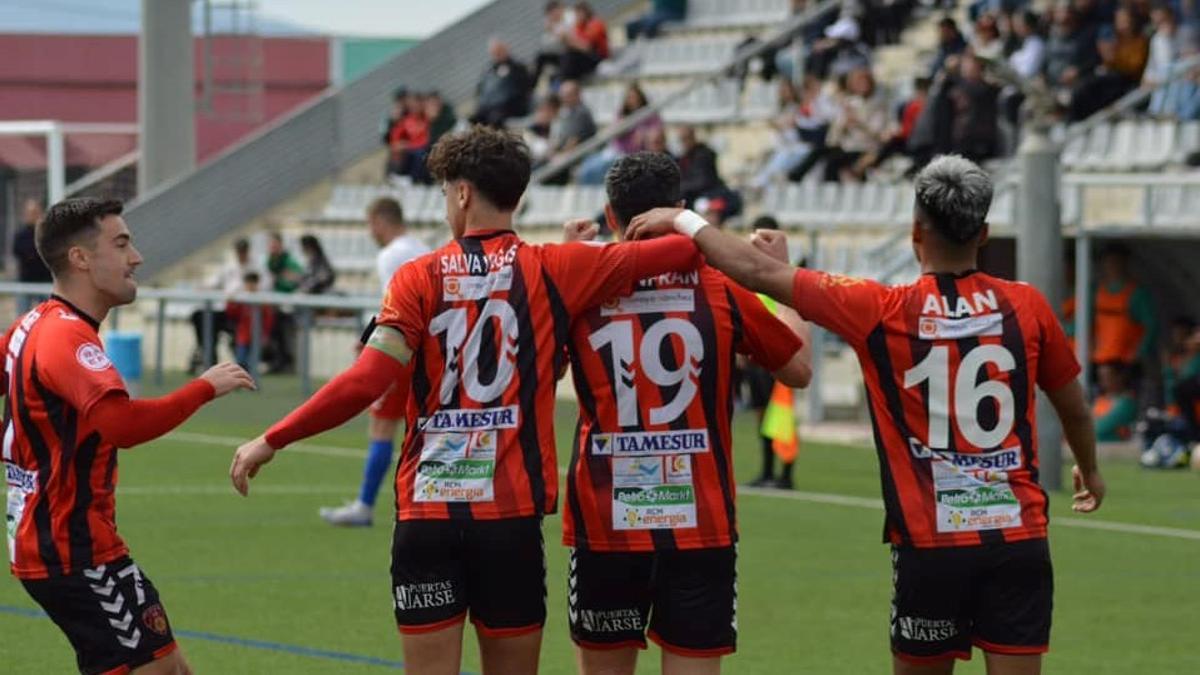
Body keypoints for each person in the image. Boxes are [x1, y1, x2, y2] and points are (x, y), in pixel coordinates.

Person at [229, 126, 703, 675]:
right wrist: (670, 221)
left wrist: (272, 438)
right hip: (510, 520)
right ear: (517, 195)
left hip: (429, 516)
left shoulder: (417, 277)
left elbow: (365, 382)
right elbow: (687, 249)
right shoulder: (557, 267)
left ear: (461, 194)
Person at [626, 154, 1106, 674]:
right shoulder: (1027, 306)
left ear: (915, 231)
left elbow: (757, 271)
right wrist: (1090, 468)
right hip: (1018, 538)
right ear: (984, 233)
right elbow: (1074, 406)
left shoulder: (880, 308)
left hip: (931, 543)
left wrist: (682, 219)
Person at [559, 153, 811, 675]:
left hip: (606, 520)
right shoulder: (719, 287)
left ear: (610, 217)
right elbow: (799, 368)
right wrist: (784, 282)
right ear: (680, 212)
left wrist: (566, 262)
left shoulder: (582, 286)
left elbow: (537, 364)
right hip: (700, 521)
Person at [1, 197, 254, 675]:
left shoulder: (31, 325)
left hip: (55, 543)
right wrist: (204, 387)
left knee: (169, 669)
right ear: (80, 258)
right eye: (120, 244)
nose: (135, 256)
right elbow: (123, 426)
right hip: (75, 549)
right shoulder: (66, 337)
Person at [319, 196, 431, 527]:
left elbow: (392, 305)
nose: (370, 231)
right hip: (432, 351)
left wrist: (369, 340)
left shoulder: (389, 255)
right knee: (422, 426)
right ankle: (427, 504)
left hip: (400, 349)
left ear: (382, 221)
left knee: (382, 426)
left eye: (371, 224)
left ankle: (365, 506)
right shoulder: (422, 247)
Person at [188, 237, 259, 373]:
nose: (241, 253)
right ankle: (208, 354)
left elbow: (260, 287)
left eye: (243, 250)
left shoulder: (255, 267)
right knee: (198, 316)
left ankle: (210, 357)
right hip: (228, 308)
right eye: (239, 250)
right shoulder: (229, 267)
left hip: (244, 312)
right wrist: (204, 287)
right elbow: (215, 282)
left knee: (212, 320)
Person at [577, 82, 663, 184]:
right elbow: (614, 133)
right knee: (589, 164)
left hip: (634, 155)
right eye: (630, 97)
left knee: (606, 165)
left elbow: (657, 131)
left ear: (641, 98)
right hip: (617, 150)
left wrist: (643, 133)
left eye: (635, 97)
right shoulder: (622, 115)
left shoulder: (650, 115)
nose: (633, 100)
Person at [1091, 243, 1156, 374]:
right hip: (1099, 360)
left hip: (1125, 363)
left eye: (1116, 261)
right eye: (1108, 261)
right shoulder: (1096, 291)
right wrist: (1089, 347)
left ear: (1125, 263)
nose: (1112, 266)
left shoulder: (1137, 293)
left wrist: (1138, 353)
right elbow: (1086, 321)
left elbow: (1151, 326)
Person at [471, 38, 533, 128]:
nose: (498, 54)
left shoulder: (518, 66)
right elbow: (480, 90)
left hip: (511, 107)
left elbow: (525, 88)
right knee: (474, 120)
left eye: (499, 51)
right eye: (495, 53)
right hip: (490, 107)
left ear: (506, 49)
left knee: (495, 119)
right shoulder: (488, 71)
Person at [264, 231, 302, 373]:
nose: (272, 248)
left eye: (275, 244)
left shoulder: (289, 261)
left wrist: (286, 278)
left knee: (283, 332)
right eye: (271, 245)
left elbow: (296, 279)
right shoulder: (269, 262)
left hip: (287, 306)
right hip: (272, 306)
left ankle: (286, 362)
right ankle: (274, 360)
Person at [224, 271, 275, 372]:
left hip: (257, 336)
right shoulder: (242, 299)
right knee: (240, 360)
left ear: (257, 284)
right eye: (248, 283)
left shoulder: (262, 301)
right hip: (243, 336)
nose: (250, 286)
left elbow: (268, 319)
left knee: (252, 362)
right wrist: (230, 303)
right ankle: (239, 382)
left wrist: (265, 335)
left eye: (253, 283)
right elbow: (231, 314)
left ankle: (252, 383)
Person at [11, 199, 51, 314]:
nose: (32, 216)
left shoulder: (46, 233)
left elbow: (48, 251)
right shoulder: (20, 235)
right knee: (22, 315)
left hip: (45, 281)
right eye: (29, 213)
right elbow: (18, 251)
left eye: (35, 212)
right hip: (25, 280)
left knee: (47, 315)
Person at [560, 2, 610, 81]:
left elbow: (587, 46)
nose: (577, 17)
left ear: (586, 12)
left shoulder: (596, 23)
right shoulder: (578, 26)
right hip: (586, 58)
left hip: (599, 57)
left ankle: (565, 81)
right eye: (576, 14)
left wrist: (569, 40)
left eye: (579, 13)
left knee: (571, 53)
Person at [1093, 362, 1137, 442]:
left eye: (1107, 377)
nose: (1103, 381)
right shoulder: (1100, 400)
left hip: (1114, 447)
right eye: (1101, 377)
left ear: (1119, 377)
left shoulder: (1126, 402)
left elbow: (1098, 428)